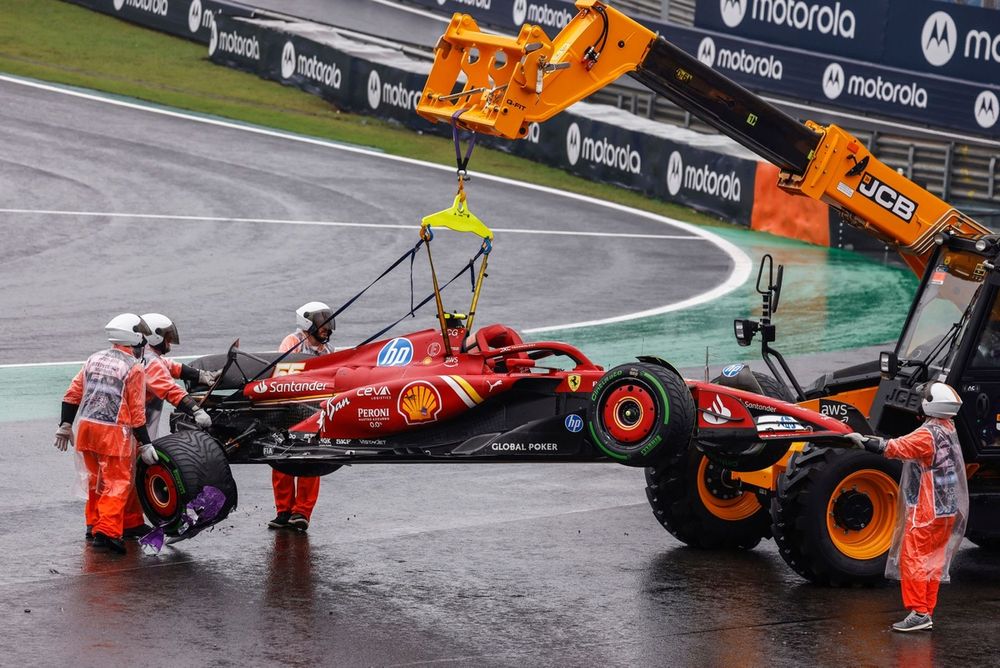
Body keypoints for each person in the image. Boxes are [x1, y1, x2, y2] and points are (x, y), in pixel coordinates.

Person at [846, 382, 969, 633]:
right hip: (947, 508)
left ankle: (918, 612)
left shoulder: (928, 434)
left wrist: (863, 441)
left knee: (913, 557)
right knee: (933, 559)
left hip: (928, 508)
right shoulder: (948, 428)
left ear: (929, 405)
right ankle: (927, 609)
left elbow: (895, 447)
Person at [54, 314, 159, 554]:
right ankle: (108, 532)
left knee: (94, 481)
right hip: (114, 434)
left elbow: (73, 393)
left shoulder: (94, 358)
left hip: (87, 430)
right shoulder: (133, 367)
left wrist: (65, 424)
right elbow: (137, 412)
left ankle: (94, 524)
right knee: (117, 482)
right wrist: (146, 443)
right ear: (132, 337)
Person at [269, 301, 335, 532]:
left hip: (314, 412)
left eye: (328, 322)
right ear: (308, 323)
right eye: (322, 322)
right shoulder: (292, 342)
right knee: (282, 458)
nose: (327, 327)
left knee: (311, 459)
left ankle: (302, 512)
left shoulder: (328, 352)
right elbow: (281, 371)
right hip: (288, 409)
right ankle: (283, 510)